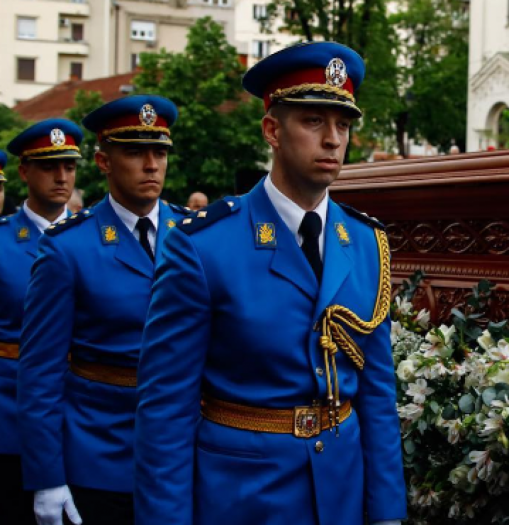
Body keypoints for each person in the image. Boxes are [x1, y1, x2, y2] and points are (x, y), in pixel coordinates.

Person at [134, 42, 406, 525]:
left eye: (342, 125)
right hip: (243, 495)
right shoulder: (203, 246)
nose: (332, 140)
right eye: (313, 121)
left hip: (340, 491)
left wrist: (386, 511)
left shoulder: (365, 242)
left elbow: (378, 394)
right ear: (272, 130)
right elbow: (165, 411)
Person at [17, 95, 187, 525]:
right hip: (101, 453)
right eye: (134, 152)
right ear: (103, 162)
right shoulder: (66, 248)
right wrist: (47, 477)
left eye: (160, 152)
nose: (152, 165)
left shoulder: (193, 236)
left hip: (184, 451)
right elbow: (40, 372)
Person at [1, 120, 81, 525]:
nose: (62, 176)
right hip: (11, 420)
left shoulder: (89, 239)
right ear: (24, 172)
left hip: (85, 420)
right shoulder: (2, 243)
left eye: (69, 166)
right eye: (50, 166)